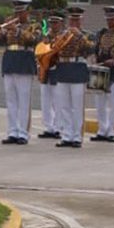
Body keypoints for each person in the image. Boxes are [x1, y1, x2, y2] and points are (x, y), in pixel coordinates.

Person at [0, 0, 41, 145]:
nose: (18, 15)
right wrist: (2, 30)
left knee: (23, 100)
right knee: (11, 100)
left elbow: (34, 39)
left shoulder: (34, 25)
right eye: (16, 12)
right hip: (10, 62)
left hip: (24, 62)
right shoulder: (10, 24)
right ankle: (12, 131)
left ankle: (23, 133)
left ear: (27, 12)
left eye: (21, 12)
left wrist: (17, 30)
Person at [54, 6, 95, 148]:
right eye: (72, 20)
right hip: (63, 69)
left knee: (77, 106)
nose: (74, 23)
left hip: (78, 68)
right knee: (64, 106)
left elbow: (91, 49)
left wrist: (79, 35)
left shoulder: (87, 35)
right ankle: (67, 135)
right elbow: (53, 49)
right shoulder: (61, 34)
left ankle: (77, 136)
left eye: (77, 20)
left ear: (81, 20)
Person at [91, 6, 114, 142]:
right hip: (100, 68)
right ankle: (102, 129)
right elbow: (95, 49)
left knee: (113, 103)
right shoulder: (101, 33)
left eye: (112, 19)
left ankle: (112, 131)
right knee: (99, 102)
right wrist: (94, 58)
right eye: (108, 19)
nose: (110, 21)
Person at [37, 12, 65, 140]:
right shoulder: (45, 36)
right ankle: (49, 127)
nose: (53, 25)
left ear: (61, 23)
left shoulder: (63, 36)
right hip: (45, 69)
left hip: (57, 68)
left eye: (56, 23)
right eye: (52, 23)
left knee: (58, 100)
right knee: (45, 100)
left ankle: (59, 127)